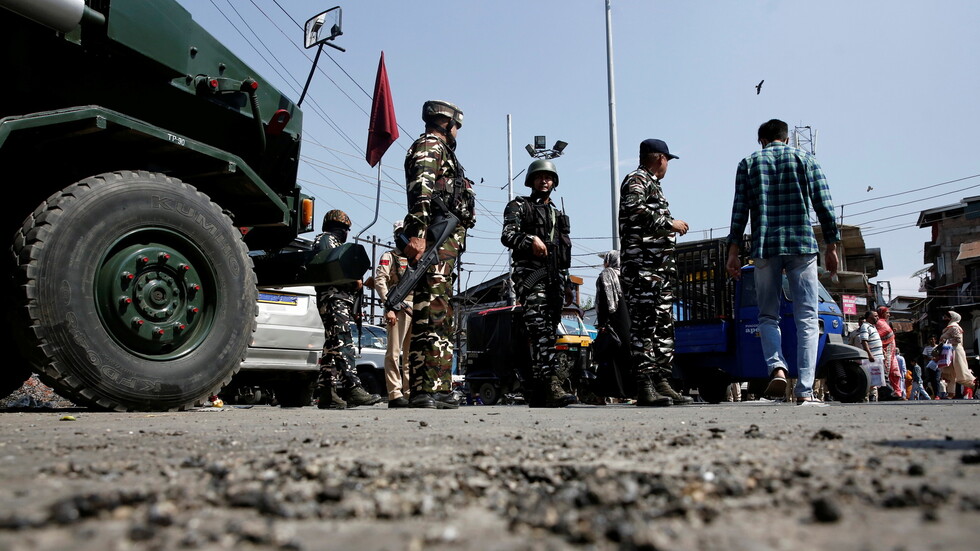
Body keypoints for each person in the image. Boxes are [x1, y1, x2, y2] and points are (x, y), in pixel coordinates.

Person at [725, 119, 840, 406]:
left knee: (767, 316)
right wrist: (832, 246)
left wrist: (733, 252)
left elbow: (739, 210)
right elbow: (824, 204)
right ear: (786, 139)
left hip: (765, 247)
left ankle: (776, 367)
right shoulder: (806, 160)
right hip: (802, 246)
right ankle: (804, 389)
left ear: (761, 140)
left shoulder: (749, 163)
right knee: (806, 319)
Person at [399, 100, 476, 409]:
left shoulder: (446, 154)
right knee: (428, 314)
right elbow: (421, 190)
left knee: (440, 316)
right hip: (431, 241)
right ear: (446, 124)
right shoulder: (430, 146)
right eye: (456, 126)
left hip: (445, 248)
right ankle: (421, 389)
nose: (457, 132)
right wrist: (417, 234)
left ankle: (438, 386)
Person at [619, 139, 693, 407]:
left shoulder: (653, 185)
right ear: (661, 158)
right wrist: (669, 223)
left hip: (658, 272)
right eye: (667, 161)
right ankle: (644, 385)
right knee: (644, 327)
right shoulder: (636, 179)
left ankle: (662, 381)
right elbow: (634, 209)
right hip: (642, 270)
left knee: (662, 328)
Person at [500, 159, 577, 408]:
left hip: (554, 278)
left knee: (548, 330)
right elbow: (507, 235)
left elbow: (563, 253)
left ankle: (538, 390)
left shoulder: (557, 214)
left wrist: (566, 284)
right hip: (531, 276)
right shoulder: (519, 206)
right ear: (531, 180)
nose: (545, 181)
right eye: (540, 177)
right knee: (541, 331)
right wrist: (529, 239)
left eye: (549, 177)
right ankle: (552, 385)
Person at [313, 209, 384, 409]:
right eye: (345, 229)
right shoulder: (326, 240)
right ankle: (353, 389)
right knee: (343, 342)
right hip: (333, 298)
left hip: (337, 299)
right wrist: (355, 279)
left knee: (332, 347)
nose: (345, 234)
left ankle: (328, 392)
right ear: (340, 228)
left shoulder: (328, 241)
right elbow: (334, 266)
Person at [373, 221, 413, 408]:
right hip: (398, 306)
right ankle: (395, 394)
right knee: (394, 353)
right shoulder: (390, 256)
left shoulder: (416, 258)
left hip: (416, 308)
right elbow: (380, 280)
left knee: (411, 355)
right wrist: (389, 306)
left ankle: (409, 391)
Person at [591, 250, 633, 403]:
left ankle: (601, 395)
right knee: (624, 358)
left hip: (611, 322)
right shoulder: (626, 277)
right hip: (626, 324)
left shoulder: (606, 275)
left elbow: (603, 301)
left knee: (607, 360)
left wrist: (602, 323)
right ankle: (624, 395)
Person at [940, 310, 976, 399]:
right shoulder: (949, 327)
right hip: (949, 352)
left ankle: (975, 385)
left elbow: (958, 339)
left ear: (953, 318)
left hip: (955, 351)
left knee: (961, 372)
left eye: (947, 316)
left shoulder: (954, 327)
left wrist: (946, 342)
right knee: (950, 373)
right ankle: (950, 393)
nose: (945, 318)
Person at [857, 310, 885, 401]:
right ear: (869, 318)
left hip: (877, 358)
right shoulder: (865, 326)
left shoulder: (873, 327)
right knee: (870, 380)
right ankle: (867, 399)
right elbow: (864, 341)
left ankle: (874, 398)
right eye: (875, 316)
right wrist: (869, 355)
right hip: (872, 358)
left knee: (875, 380)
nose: (878, 317)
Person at [876, 307, 902, 398]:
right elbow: (878, 337)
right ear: (882, 313)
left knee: (895, 373)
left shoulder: (884, 323)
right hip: (886, 352)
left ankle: (897, 391)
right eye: (887, 313)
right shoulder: (879, 323)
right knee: (885, 372)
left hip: (892, 353)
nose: (889, 314)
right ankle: (887, 393)